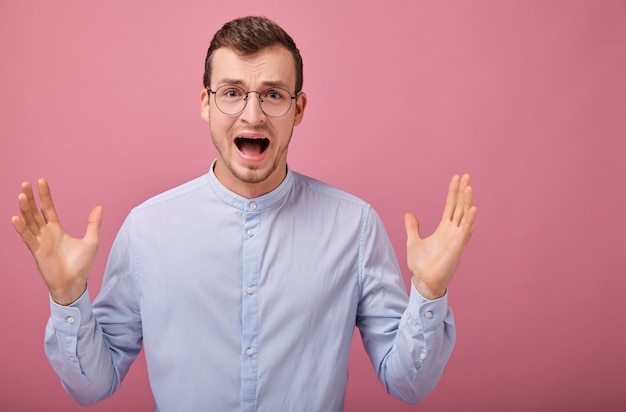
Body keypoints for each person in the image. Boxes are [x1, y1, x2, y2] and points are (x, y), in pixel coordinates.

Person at [11, 16, 476, 412]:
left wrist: (429, 293)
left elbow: (409, 383)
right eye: (232, 92)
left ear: (298, 109)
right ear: (205, 103)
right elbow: (93, 385)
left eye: (273, 95)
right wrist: (69, 297)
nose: (252, 115)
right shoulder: (146, 230)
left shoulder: (354, 227)